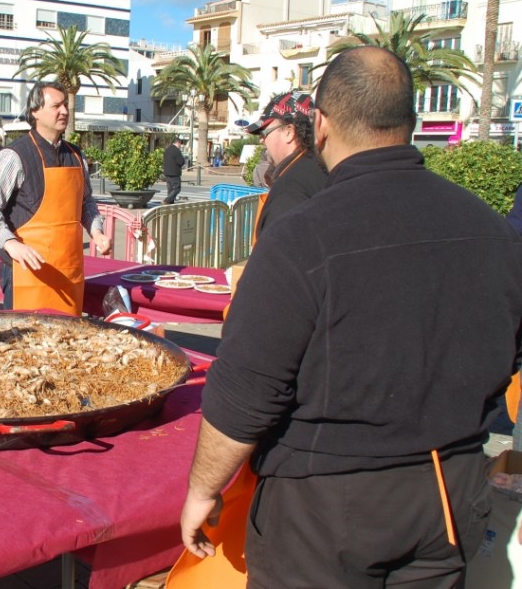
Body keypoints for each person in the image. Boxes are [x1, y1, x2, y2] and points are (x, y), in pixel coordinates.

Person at [179, 46, 522, 588]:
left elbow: (245, 392)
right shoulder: (489, 227)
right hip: (449, 492)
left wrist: (203, 489)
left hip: (325, 505)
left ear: (320, 125)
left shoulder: (302, 235)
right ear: (409, 121)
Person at [0, 81, 111, 315]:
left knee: (66, 341)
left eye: (65, 105)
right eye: (56, 105)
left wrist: (96, 231)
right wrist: (9, 242)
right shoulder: (14, 155)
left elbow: (86, 201)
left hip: (69, 270)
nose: (65, 111)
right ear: (35, 111)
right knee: (25, 346)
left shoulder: (76, 155)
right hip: (26, 272)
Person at [245, 91, 327, 240]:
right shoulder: (324, 167)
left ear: (289, 132)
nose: (262, 140)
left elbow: (277, 256)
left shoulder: (290, 188)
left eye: (265, 133)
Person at [162, 136, 186, 204]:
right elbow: (181, 161)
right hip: (174, 172)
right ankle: (167, 200)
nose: (180, 146)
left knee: (170, 188)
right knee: (177, 188)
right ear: (178, 143)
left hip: (167, 172)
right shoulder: (176, 150)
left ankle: (170, 202)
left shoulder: (167, 150)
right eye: (180, 144)